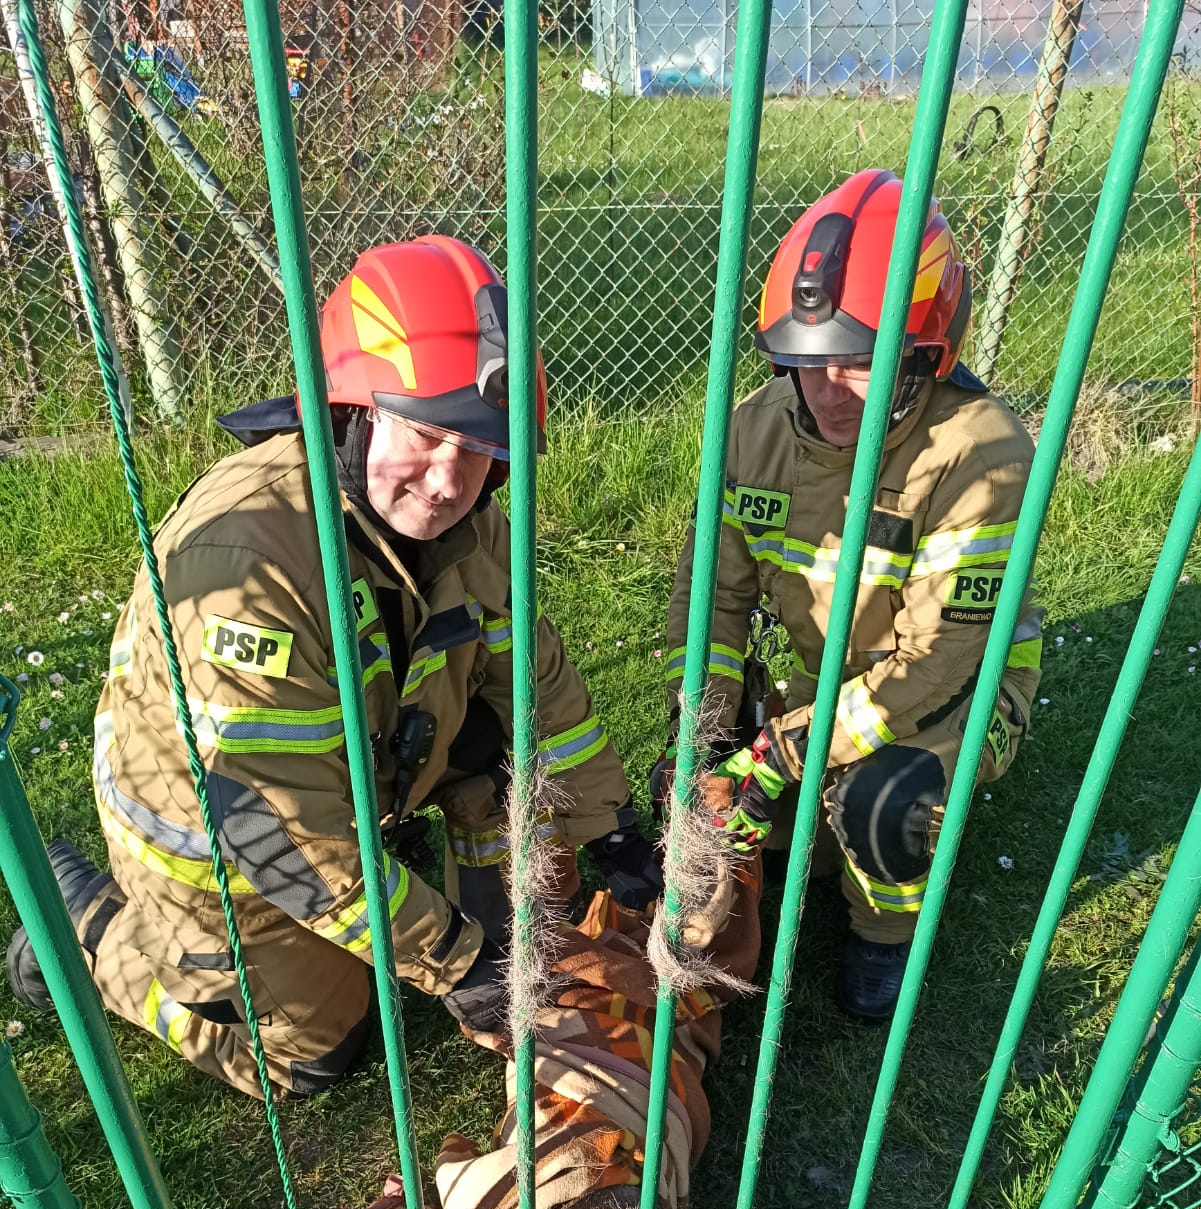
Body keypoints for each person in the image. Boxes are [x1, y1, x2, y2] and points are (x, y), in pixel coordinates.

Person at [6, 235, 661, 1097]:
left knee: (500, 757)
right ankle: (88, 926)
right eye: (425, 436)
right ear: (351, 411)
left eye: (478, 452)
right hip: (219, 846)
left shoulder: (472, 525)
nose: (446, 480)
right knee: (318, 1054)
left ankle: (477, 921)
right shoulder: (249, 560)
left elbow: (535, 687)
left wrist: (607, 825)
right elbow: (275, 829)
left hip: (349, 779)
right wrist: (454, 960)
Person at [659, 170, 1042, 1023]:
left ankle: (884, 939)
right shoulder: (749, 431)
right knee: (752, 813)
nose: (827, 387)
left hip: (960, 689)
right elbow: (712, 607)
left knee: (878, 803)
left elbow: (932, 661)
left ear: (924, 353)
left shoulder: (982, 454)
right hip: (827, 682)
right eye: (803, 358)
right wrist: (708, 734)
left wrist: (776, 757)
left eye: (859, 360)